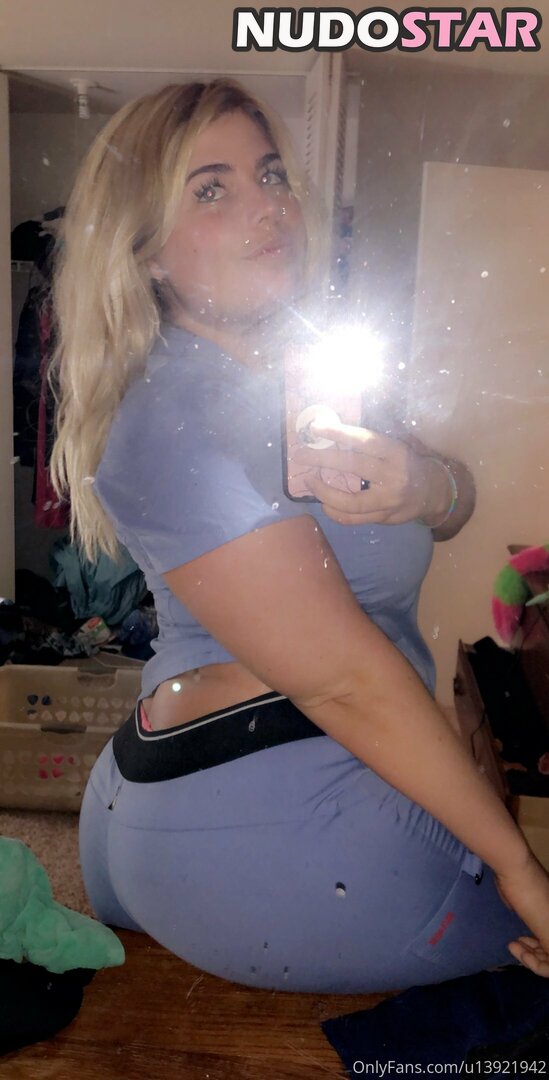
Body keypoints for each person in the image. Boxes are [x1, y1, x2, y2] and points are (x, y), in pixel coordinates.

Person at [48, 77, 549, 993]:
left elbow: (454, 499)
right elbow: (343, 679)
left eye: (269, 173)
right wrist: (520, 867)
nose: (266, 204)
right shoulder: (176, 413)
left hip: (209, 779)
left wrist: (424, 486)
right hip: (273, 816)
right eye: (211, 188)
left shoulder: (307, 369)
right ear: (147, 250)